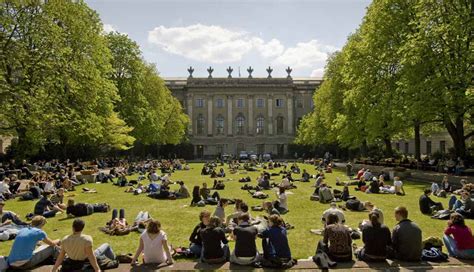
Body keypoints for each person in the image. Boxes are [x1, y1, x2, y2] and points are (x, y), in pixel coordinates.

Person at [52, 219, 117, 272]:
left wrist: (54, 269)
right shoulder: (87, 239)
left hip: (72, 262)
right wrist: (97, 269)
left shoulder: (65, 239)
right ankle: (115, 259)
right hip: (85, 261)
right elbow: (91, 256)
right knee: (106, 245)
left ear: (73, 227)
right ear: (83, 228)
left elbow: (61, 256)